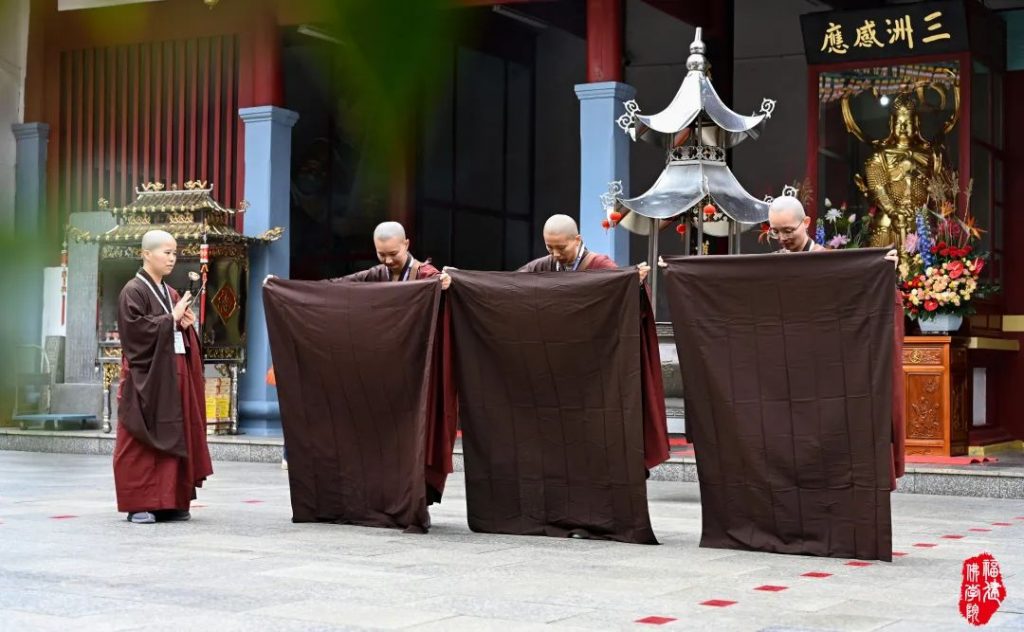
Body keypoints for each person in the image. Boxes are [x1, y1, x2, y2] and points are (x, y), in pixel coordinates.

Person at [114, 230, 213, 524]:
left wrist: (185, 324)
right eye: (166, 252)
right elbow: (134, 333)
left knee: (176, 432)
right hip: (148, 377)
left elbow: (173, 329)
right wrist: (170, 319)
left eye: (174, 253)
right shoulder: (133, 290)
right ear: (146, 254)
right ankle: (140, 503)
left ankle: (171, 501)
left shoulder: (170, 293)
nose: (172, 258)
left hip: (174, 372)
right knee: (140, 436)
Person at [519, 214, 651, 281]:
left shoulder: (600, 265)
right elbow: (511, 284)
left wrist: (632, 281)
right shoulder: (542, 267)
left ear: (577, 240)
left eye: (561, 248)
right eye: (550, 248)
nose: (555, 254)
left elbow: (620, 289)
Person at [332, 221, 451, 288]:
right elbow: (339, 285)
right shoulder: (376, 274)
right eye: (381, 254)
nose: (388, 260)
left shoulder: (425, 274)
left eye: (393, 253)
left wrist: (447, 281)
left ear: (406, 244)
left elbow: (440, 280)